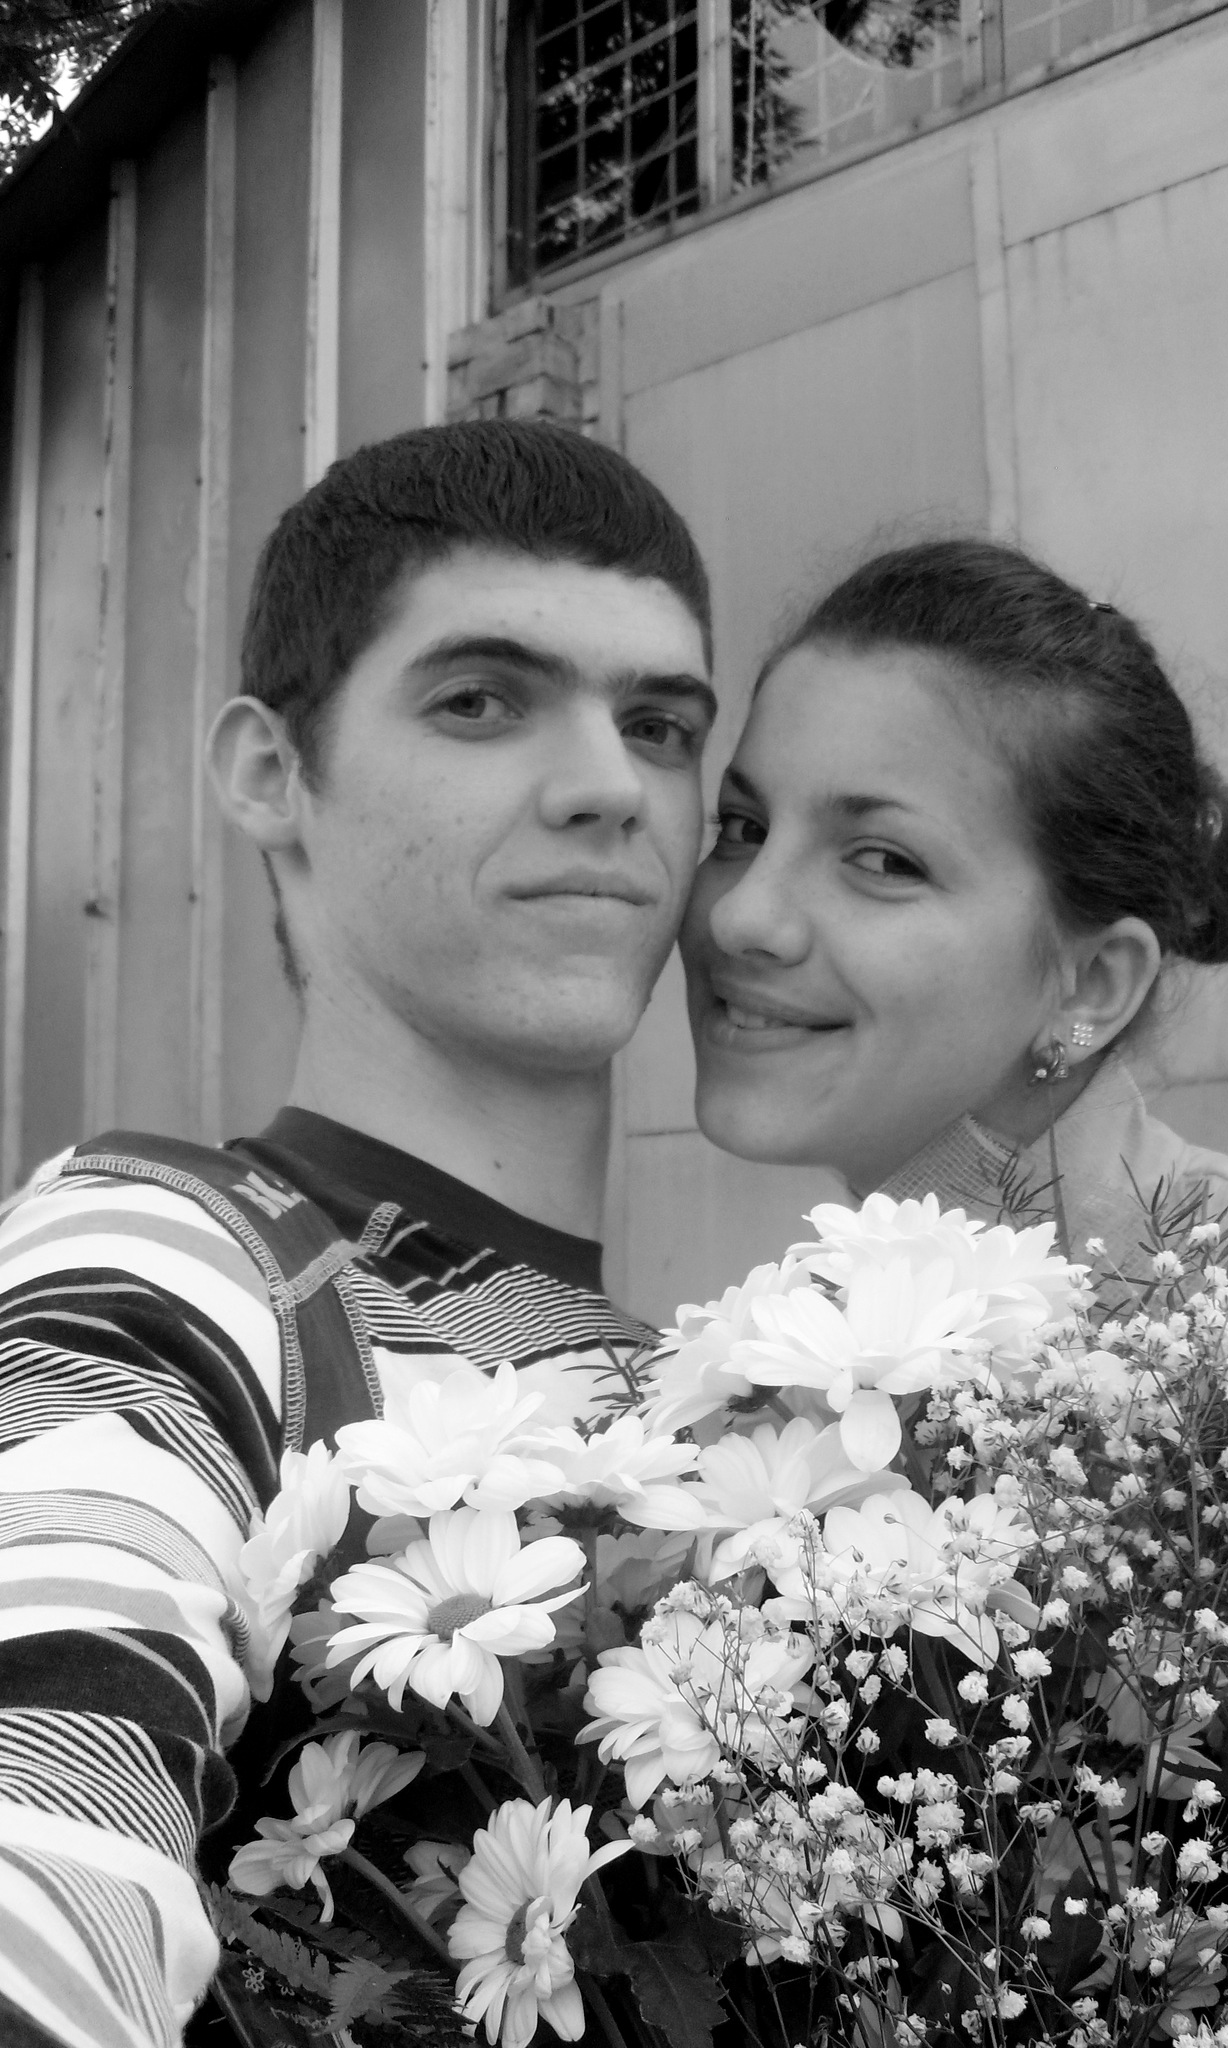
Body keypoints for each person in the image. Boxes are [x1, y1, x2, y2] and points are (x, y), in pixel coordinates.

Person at [0, 420, 716, 2046]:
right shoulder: (167, 1257)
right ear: (271, 773)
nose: (611, 786)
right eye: (480, 701)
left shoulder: (704, 1386)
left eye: (660, 725)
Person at [680, 538, 1228, 1276]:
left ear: (1092, 986)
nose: (738, 916)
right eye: (742, 828)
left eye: (884, 861)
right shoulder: (829, 1301)